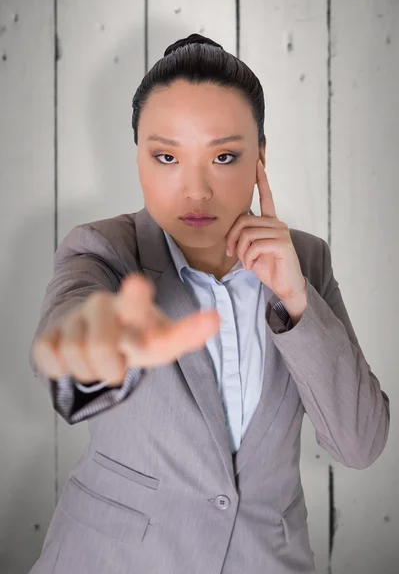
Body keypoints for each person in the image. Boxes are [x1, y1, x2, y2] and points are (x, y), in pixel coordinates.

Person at [28, 33, 390, 574]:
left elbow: (361, 444)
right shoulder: (104, 249)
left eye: (224, 156)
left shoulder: (307, 261)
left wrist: (296, 302)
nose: (195, 190)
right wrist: (91, 343)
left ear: (260, 157)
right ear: (138, 158)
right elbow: (73, 323)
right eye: (166, 156)